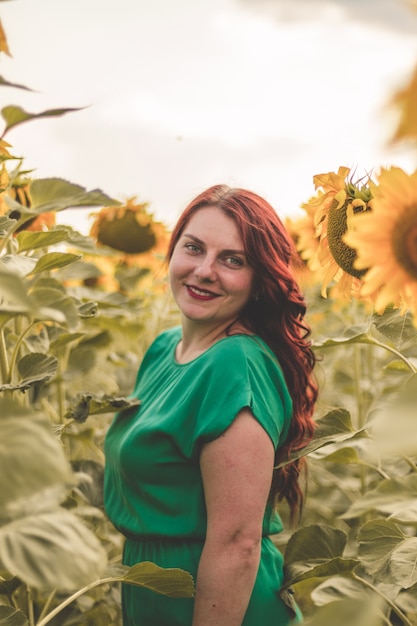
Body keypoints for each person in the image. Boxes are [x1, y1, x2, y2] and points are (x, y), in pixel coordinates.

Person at [104, 184, 318, 625]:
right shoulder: (165, 349)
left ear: (260, 281)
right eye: (194, 248)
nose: (204, 271)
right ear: (172, 250)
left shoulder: (234, 364)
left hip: (219, 606)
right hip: (158, 595)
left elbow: (238, 543)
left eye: (232, 260)